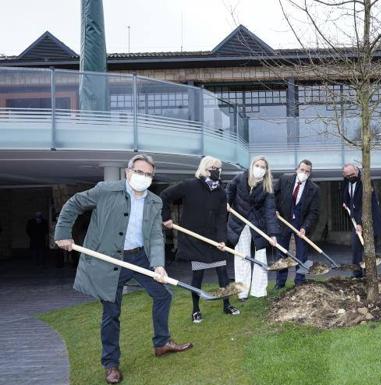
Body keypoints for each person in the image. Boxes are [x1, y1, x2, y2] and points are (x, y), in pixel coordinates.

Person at [54, 154, 192, 384]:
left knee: (163, 294)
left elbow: (156, 236)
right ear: (128, 172)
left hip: (139, 258)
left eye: (149, 174)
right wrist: (62, 234)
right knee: (111, 312)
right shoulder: (105, 190)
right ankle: (111, 363)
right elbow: (74, 204)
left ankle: (161, 343)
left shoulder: (154, 202)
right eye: (139, 172)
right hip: (109, 261)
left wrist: (158, 264)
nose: (144, 177)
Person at [160, 156, 240, 324]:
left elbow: (220, 218)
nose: (217, 170)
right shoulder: (189, 186)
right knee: (197, 276)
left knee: (223, 274)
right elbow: (165, 195)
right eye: (213, 167)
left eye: (219, 168)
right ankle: (195, 310)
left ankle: (227, 304)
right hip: (195, 240)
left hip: (214, 240)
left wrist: (222, 240)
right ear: (204, 168)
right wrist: (166, 218)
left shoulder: (220, 193)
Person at [226, 155, 279, 300]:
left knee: (260, 256)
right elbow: (228, 191)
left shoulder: (267, 186)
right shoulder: (240, 178)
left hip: (258, 224)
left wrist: (273, 234)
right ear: (252, 165)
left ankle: (259, 290)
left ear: (266, 170)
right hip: (239, 222)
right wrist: (226, 203)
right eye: (257, 165)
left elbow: (270, 210)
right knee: (242, 256)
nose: (260, 169)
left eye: (263, 167)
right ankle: (242, 292)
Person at [273, 159, 320, 288]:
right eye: (302, 170)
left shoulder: (314, 189)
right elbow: (273, 197)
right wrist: (275, 210)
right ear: (296, 169)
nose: (304, 173)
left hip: (301, 223)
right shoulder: (284, 180)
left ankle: (300, 281)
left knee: (302, 253)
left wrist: (305, 227)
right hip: (284, 220)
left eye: (307, 171)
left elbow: (314, 212)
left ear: (310, 174)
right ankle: (280, 282)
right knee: (281, 252)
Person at [341, 163, 381, 278]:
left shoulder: (366, 182)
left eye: (352, 174)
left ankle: (370, 274)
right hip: (357, 221)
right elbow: (349, 198)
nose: (350, 177)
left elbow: (365, 205)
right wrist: (345, 203)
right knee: (356, 249)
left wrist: (360, 223)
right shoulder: (347, 182)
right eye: (348, 175)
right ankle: (357, 274)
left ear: (357, 170)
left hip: (371, 221)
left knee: (369, 249)